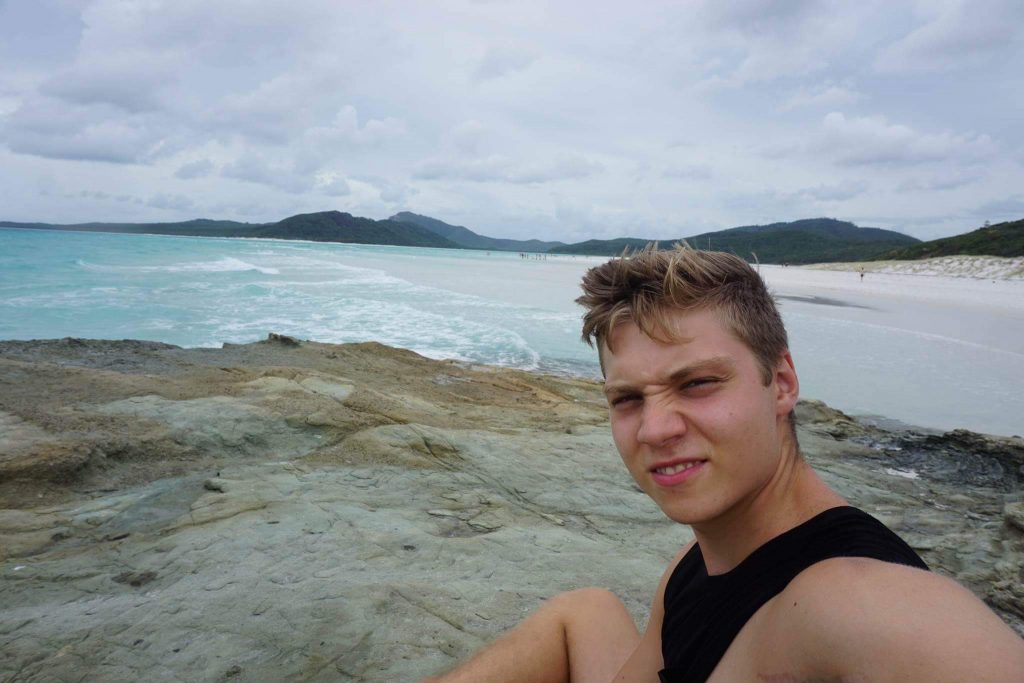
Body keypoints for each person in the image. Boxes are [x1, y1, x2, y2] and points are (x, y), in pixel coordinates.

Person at [423, 245, 1024, 683]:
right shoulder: (693, 566)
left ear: (781, 382)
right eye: (627, 399)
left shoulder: (855, 603)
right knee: (585, 610)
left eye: (700, 383)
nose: (656, 429)